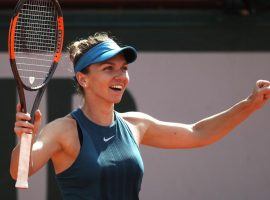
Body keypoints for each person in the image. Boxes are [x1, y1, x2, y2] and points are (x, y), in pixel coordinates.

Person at [10, 32, 270, 200]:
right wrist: (25, 139)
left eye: (123, 68)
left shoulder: (136, 125)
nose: (120, 76)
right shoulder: (63, 131)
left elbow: (198, 133)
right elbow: (20, 172)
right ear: (83, 79)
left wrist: (250, 103)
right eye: (108, 68)